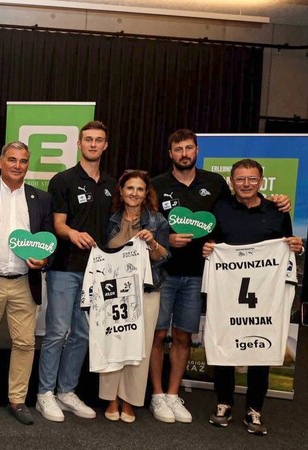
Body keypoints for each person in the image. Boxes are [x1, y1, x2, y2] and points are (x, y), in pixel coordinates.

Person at [149, 130, 290, 424]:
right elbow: (147, 225)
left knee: (185, 336)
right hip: (163, 272)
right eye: (178, 149)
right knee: (158, 335)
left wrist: (279, 204)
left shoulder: (214, 184)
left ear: (197, 150)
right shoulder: (156, 184)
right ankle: (158, 395)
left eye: (189, 147)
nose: (184, 153)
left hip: (202, 276)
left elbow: (242, 214)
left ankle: (174, 395)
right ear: (170, 153)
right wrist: (167, 238)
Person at [202, 158, 303, 436]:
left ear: (261, 181)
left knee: (261, 347)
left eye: (252, 179)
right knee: (224, 344)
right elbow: (208, 242)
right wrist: (208, 250)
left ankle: (254, 409)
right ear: (232, 181)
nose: (246, 184)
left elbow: (289, 247)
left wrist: (297, 247)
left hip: (265, 295)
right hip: (228, 292)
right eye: (240, 179)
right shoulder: (220, 209)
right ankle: (223, 403)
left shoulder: (277, 211)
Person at [0, 141, 53, 425]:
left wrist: (43, 260)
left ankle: (17, 400)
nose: (17, 165)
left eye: (23, 161)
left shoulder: (40, 198)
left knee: (26, 343)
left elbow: (49, 242)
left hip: (24, 283)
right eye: (12, 159)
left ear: (28, 165)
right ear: (0, 162)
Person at [35, 121, 116, 423]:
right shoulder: (64, 180)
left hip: (98, 272)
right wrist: (73, 233)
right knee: (57, 331)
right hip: (65, 268)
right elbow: (58, 225)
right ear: (79, 144)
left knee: (83, 333)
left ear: (105, 145)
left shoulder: (111, 184)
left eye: (99, 140)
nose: (93, 144)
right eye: (88, 140)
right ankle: (44, 393)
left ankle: (66, 390)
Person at [99, 170, 170, 423]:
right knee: (113, 344)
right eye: (130, 188)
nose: (134, 193)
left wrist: (152, 242)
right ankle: (111, 399)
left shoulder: (158, 221)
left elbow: (164, 257)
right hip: (114, 294)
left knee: (139, 348)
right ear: (121, 191)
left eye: (140, 189)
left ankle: (129, 400)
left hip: (146, 294)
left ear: (146, 193)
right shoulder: (110, 220)